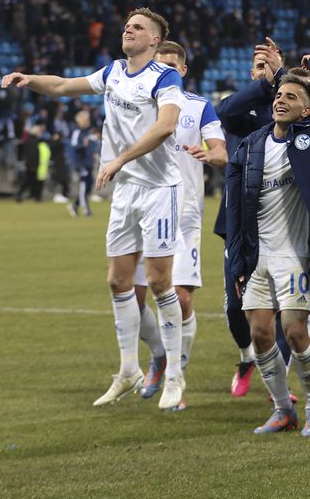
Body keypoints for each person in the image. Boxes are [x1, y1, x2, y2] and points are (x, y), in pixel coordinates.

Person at [2, 8, 187, 410]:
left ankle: (174, 373)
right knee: (119, 282)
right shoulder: (113, 72)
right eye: (127, 25)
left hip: (159, 189)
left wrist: (119, 159)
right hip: (125, 193)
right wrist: (30, 79)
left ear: (155, 40)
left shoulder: (165, 77)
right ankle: (127, 370)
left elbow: (167, 125)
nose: (129, 29)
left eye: (138, 27)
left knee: (158, 282)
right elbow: (64, 86)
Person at [224, 55, 310, 437]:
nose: (281, 100)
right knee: (261, 333)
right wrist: (238, 263)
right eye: (278, 94)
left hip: (297, 255)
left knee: (295, 332)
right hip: (258, 257)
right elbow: (236, 211)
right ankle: (283, 410)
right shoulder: (251, 145)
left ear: (308, 108)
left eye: (291, 96)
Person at [133, 41, 227, 404]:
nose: (166, 70)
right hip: (142, 211)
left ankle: (177, 376)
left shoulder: (199, 106)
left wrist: (214, 154)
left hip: (183, 216)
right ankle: (159, 355)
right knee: (133, 296)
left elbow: (220, 147)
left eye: (172, 65)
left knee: (181, 298)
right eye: (160, 64)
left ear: (183, 70)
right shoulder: (140, 102)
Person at [216, 39, 291, 396]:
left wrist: (282, 78)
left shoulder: (290, 112)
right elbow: (226, 110)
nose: (264, 74)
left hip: (285, 224)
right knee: (236, 309)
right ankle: (246, 357)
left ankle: (282, 382)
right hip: (240, 226)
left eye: (269, 68)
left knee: (285, 311)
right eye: (258, 69)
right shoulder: (240, 114)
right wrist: (267, 81)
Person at [68, 110, 96, 217]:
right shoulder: (77, 132)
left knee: (88, 186)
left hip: (89, 163)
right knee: (83, 186)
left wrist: (94, 153)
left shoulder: (88, 132)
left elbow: (92, 145)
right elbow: (74, 146)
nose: (88, 121)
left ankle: (75, 205)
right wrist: (83, 145)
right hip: (81, 164)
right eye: (86, 119)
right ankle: (86, 210)